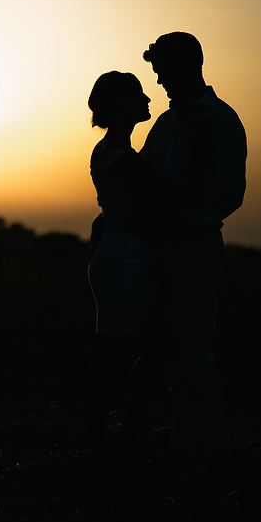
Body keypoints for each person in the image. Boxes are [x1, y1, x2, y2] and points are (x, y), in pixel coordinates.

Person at [140, 32, 247, 463]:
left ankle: (206, 453)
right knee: (163, 351)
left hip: (193, 250)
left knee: (192, 351)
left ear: (191, 63)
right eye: (157, 71)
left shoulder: (222, 120)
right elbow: (144, 178)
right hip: (157, 249)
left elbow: (227, 193)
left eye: (165, 69)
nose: (161, 80)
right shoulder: (165, 124)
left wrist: (178, 224)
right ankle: (182, 447)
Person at [81, 71, 190, 449]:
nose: (148, 100)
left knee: (129, 352)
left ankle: (115, 437)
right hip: (126, 261)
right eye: (139, 95)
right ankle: (110, 440)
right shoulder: (125, 159)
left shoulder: (107, 151)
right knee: (116, 356)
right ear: (121, 106)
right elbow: (175, 196)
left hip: (121, 256)